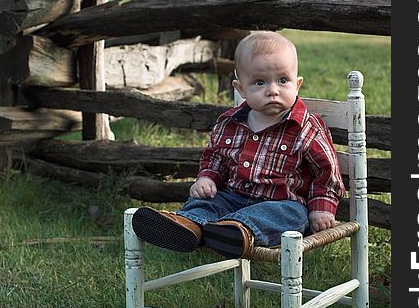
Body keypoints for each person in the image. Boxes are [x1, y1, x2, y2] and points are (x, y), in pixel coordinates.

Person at [132, 31, 345, 258]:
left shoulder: (306, 127)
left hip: (281, 202)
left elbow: (326, 172)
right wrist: (207, 178)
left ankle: (236, 231)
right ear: (241, 89)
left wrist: (321, 208)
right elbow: (216, 158)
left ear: (298, 84)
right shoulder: (229, 122)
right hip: (233, 197)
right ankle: (190, 225)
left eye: (283, 80)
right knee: (207, 200)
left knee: (292, 215)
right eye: (259, 82)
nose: (273, 90)